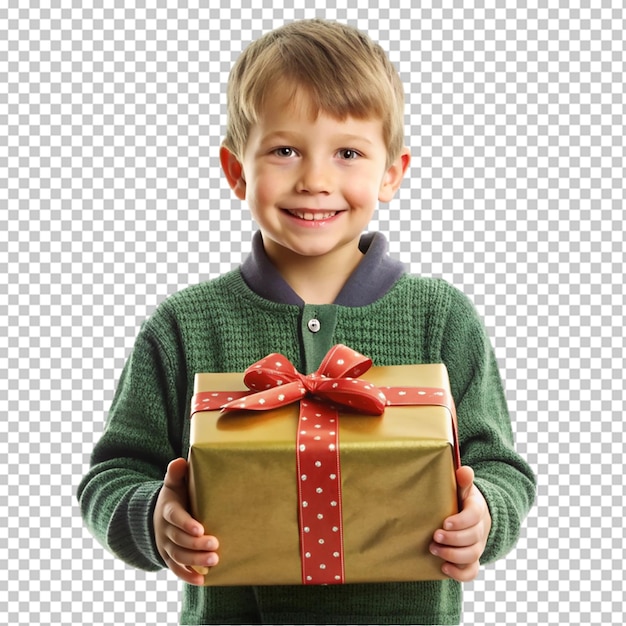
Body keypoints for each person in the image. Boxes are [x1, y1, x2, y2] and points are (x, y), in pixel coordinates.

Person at [77, 18, 536, 625]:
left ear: (392, 173)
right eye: (285, 150)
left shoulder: (441, 318)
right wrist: (152, 518)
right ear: (237, 170)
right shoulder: (184, 325)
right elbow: (112, 475)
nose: (315, 180)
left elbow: (501, 467)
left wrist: (484, 513)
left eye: (348, 153)